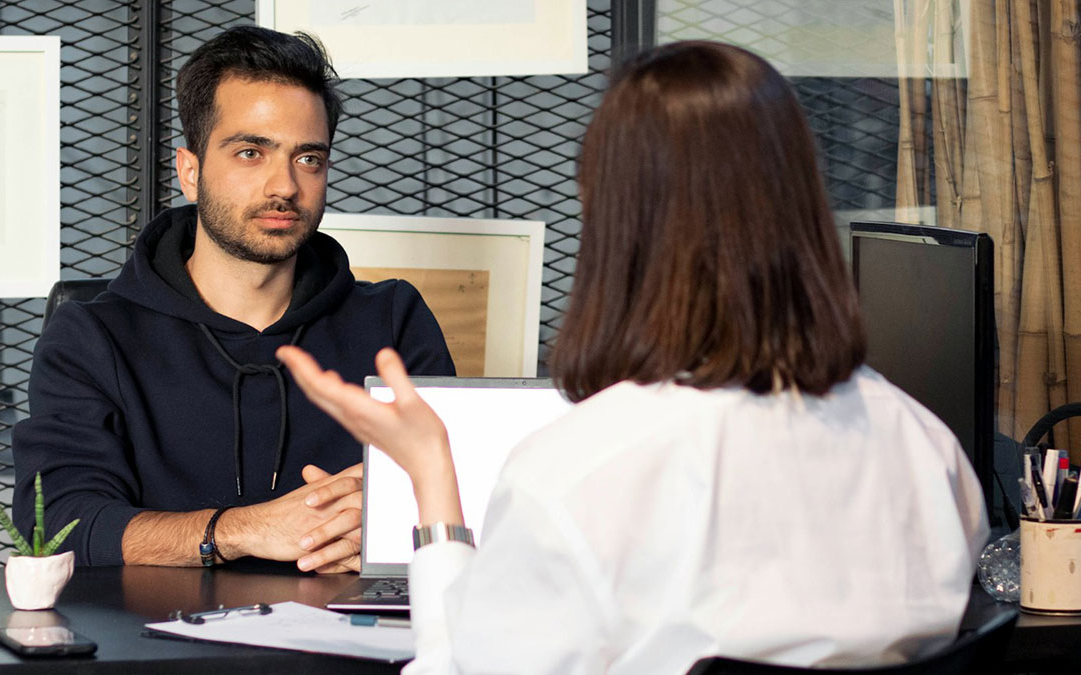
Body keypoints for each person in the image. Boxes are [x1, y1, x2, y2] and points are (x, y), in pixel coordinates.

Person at [278, 41, 989, 672]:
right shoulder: (928, 451)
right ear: (800, 200)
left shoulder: (581, 473)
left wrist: (431, 472)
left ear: (614, 221)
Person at [11, 26, 454, 570]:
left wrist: (382, 524)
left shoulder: (392, 321)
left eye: (308, 158)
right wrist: (244, 531)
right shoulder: (92, 337)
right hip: (153, 643)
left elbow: (456, 499)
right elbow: (57, 525)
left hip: (352, 639)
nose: (285, 186)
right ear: (190, 172)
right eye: (251, 152)